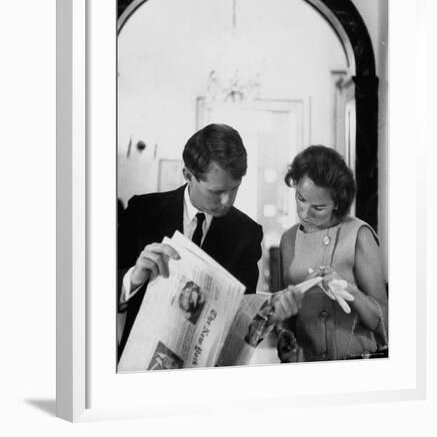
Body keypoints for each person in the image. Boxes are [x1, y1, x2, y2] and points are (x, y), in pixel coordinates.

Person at [117, 123, 263, 355]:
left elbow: (243, 316)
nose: (227, 201)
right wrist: (132, 280)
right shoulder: (141, 211)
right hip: (138, 363)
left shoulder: (247, 233)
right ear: (188, 175)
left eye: (234, 189)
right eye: (216, 192)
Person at [272, 145, 388, 362]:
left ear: (337, 203)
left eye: (318, 207)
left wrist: (349, 290)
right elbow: (286, 317)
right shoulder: (288, 240)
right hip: (308, 368)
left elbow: (384, 322)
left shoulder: (358, 234)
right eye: (300, 198)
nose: (304, 213)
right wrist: (284, 336)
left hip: (358, 365)